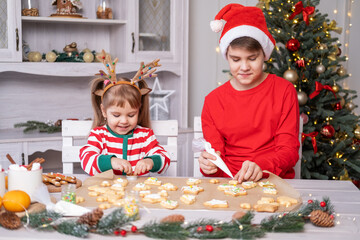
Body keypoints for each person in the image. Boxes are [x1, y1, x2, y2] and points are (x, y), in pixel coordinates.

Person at [199, 4, 300, 183]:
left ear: (264, 54)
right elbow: (215, 154)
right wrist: (209, 165)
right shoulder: (213, 101)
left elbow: (289, 151)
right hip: (228, 183)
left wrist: (261, 166)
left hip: (272, 181)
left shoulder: (284, 91)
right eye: (236, 59)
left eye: (252, 58)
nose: (244, 67)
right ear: (227, 55)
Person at [80, 51, 170, 176]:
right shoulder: (99, 135)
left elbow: (164, 158)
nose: (124, 121)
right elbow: (86, 159)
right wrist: (111, 161)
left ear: (139, 110)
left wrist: (151, 161)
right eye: (116, 115)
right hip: (108, 193)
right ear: (104, 111)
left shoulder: (145, 136)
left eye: (131, 115)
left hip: (139, 193)